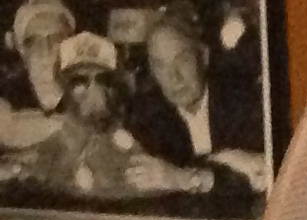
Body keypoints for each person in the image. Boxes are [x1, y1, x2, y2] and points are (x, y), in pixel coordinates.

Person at [7, 32, 212, 204]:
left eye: (103, 80)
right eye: (79, 81)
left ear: (117, 87)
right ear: (62, 86)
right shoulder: (44, 154)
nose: (94, 91)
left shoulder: (149, 147)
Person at [125, 3, 269, 199]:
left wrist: (180, 178)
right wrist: (225, 161)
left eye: (182, 60)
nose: (174, 77)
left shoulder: (243, 102)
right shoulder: (146, 118)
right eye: (161, 66)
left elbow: (263, 177)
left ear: (203, 56)